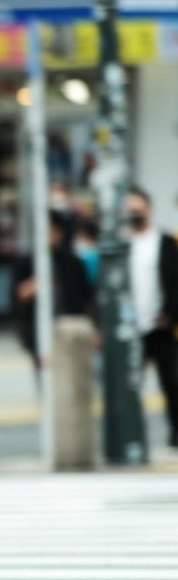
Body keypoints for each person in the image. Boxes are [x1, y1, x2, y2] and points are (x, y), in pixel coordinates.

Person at [124, 186, 178, 449]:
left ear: (149, 209)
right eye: (129, 210)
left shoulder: (167, 242)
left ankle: (176, 436)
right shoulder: (120, 244)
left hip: (162, 326)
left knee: (172, 382)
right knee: (129, 386)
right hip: (129, 326)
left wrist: (170, 315)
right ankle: (134, 438)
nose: (134, 214)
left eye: (138, 209)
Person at [13, 211, 93, 374]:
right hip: (39, 331)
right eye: (47, 232)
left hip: (71, 329)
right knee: (46, 377)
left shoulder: (73, 263)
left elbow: (87, 298)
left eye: (55, 232)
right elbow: (16, 296)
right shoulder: (27, 262)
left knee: (72, 376)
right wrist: (30, 288)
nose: (51, 237)